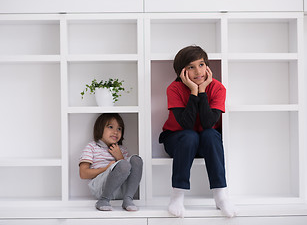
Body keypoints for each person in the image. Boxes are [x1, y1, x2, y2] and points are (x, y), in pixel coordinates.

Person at [159, 45, 236, 218]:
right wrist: (194, 91)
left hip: (206, 142)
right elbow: (186, 125)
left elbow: (209, 124)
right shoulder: (174, 88)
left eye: (201, 65)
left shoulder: (217, 88)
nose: (198, 71)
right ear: (182, 71)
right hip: (177, 140)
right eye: (191, 67)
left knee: (210, 134)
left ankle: (221, 196)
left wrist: (203, 91)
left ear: (207, 66)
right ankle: (177, 196)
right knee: (189, 135)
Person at [79, 113, 143, 211]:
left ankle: (128, 199)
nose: (115, 132)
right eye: (110, 127)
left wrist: (119, 156)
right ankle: (104, 200)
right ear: (100, 129)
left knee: (136, 160)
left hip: (120, 189)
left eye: (119, 129)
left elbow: (127, 171)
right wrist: (106, 168)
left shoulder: (122, 149)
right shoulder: (92, 147)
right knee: (123, 164)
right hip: (101, 189)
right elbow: (83, 174)